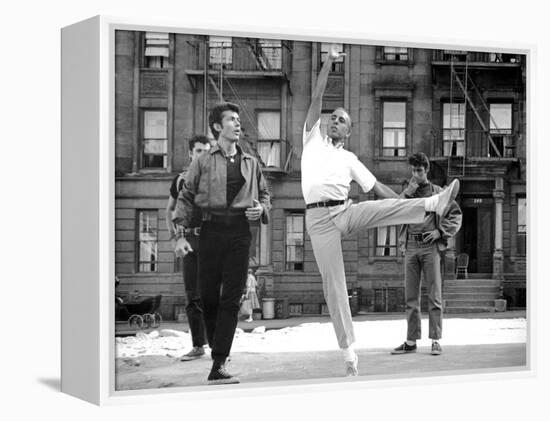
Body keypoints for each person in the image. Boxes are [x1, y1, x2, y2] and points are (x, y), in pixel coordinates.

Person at [301, 44, 460, 377]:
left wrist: (405, 206)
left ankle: (434, 202)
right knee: (335, 284)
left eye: (341, 120)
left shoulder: (350, 159)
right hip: (319, 221)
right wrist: (328, 64)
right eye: (333, 117)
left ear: (349, 130)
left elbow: (377, 190)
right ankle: (348, 353)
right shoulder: (312, 139)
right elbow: (316, 99)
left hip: (344, 211)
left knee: (381, 206)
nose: (334, 121)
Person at [173, 102, 271, 385]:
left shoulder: (251, 163)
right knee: (207, 297)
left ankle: (218, 362)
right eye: (231, 120)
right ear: (217, 126)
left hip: (240, 232)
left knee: (232, 297)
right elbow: (187, 195)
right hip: (210, 230)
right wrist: (180, 234)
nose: (238, 124)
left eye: (239, 120)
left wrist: (260, 210)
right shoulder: (202, 161)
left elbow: (265, 195)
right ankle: (218, 350)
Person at [391, 153, 462, 356]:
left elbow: (456, 215)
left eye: (419, 171)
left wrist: (440, 232)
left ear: (426, 170)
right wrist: (408, 193)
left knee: (434, 295)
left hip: (430, 248)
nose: (416, 174)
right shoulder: (409, 192)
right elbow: (395, 210)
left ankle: (435, 340)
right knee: (410, 296)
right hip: (411, 247)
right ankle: (411, 341)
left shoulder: (438, 192)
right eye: (413, 170)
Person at [165, 135, 211, 361]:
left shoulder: (217, 179)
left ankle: (219, 345)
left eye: (207, 151)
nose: (203, 154)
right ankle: (198, 346)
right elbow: (169, 210)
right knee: (193, 295)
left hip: (213, 242)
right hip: (190, 242)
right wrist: (175, 239)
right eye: (199, 150)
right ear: (191, 153)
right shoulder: (181, 180)